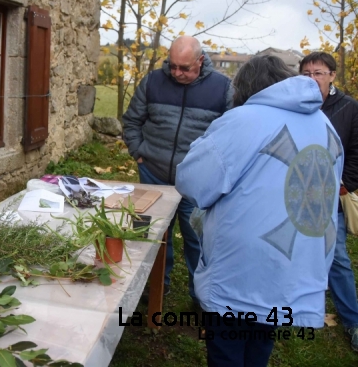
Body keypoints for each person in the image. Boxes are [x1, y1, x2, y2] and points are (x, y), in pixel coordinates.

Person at [175, 55, 343, 366]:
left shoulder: (245, 119)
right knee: (261, 334)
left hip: (242, 264)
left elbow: (193, 182)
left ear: (244, 88)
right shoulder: (323, 123)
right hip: (293, 256)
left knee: (227, 349)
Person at [122, 36, 233, 303]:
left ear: (200, 60)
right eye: (173, 66)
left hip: (198, 180)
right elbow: (132, 121)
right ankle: (155, 285)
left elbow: (232, 134)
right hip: (153, 173)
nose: (177, 73)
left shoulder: (223, 88)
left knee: (198, 237)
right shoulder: (152, 82)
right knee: (151, 233)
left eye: (185, 68)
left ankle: (202, 296)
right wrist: (138, 152)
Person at [300, 51, 358, 351]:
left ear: (332, 75)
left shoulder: (348, 108)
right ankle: (296, 309)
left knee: (337, 259)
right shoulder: (296, 107)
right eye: (307, 73)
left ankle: (353, 321)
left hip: (330, 198)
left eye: (318, 73)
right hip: (296, 197)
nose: (312, 79)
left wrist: (344, 184)